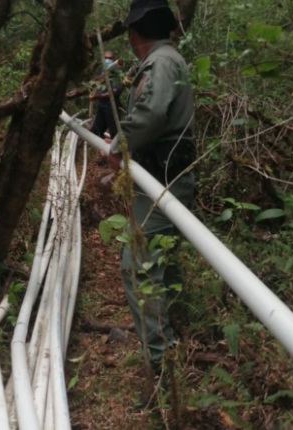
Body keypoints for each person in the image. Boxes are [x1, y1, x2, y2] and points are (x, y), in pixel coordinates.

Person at [108, 0, 196, 386]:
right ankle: (174, 337)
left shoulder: (160, 63)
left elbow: (152, 114)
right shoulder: (167, 59)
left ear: (134, 32)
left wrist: (118, 146)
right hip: (165, 178)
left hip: (163, 181)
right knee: (162, 257)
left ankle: (162, 366)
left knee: (138, 264)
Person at [89, 50, 123, 140]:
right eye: (106, 58)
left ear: (114, 59)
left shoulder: (116, 72)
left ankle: (115, 152)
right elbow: (98, 83)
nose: (108, 60)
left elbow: (115, 90)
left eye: (110, 58)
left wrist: (99, 96)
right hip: (101, 105)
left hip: (112, 106)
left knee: (115, 134)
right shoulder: (101, 69)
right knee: (96, 131)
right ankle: (101, 149)